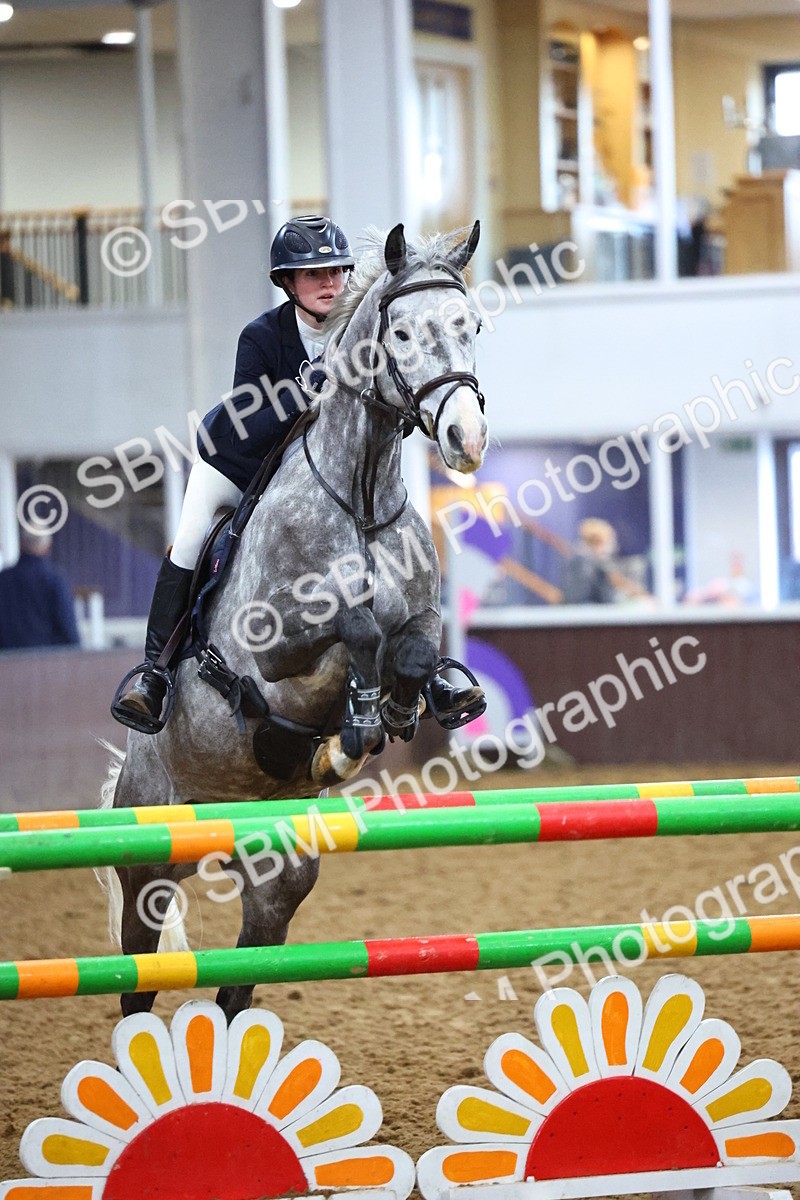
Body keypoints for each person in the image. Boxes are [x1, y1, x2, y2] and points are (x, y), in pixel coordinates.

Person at [115, 214, 482, 732]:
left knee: (403, 534)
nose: (329, 283)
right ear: (288, 283)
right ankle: (154, 673)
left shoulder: (367, 332)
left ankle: (431, 671)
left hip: (332, 479)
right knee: (191, 537)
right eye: (313, 274)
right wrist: (311, 393)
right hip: (241, 463)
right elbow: (248, 422)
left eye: (336, 271)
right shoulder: (262, 336)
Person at [0, 530, 80, 650]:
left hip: (7, 655)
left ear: (20, 543)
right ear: (47, 547)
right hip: (46, 656)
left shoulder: (3, 579)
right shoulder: (54, 580)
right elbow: (67, 625)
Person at [561, 518, 619, 604]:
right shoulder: (580, 563)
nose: (606, 546)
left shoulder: (603, 564)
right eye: (597, 542)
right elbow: (577, 596)